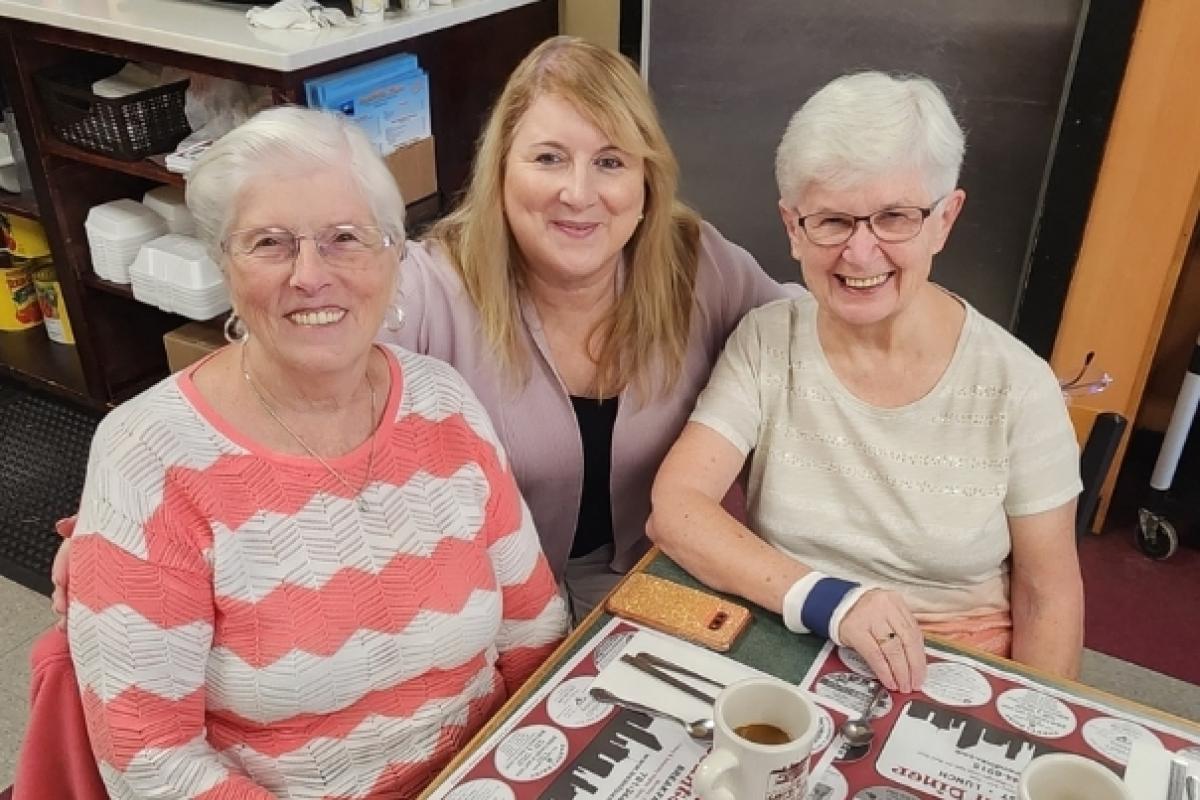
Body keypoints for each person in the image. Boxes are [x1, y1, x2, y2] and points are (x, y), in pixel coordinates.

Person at [50, 36, 791, 623]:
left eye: (610, 162)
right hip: (480, 604)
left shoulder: (695, 262)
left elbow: (798, 332)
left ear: (646, 182)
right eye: (548, 158)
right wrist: (121, 517)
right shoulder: (426, 284)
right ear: (501, 171)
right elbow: (279, 382)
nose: (578, 192)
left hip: (649, 583)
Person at [55, 106, 567, 799]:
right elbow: (150, 761)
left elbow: (533, 629)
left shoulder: (442, 401)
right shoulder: (149, 455)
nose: (309, 275)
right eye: (269, 243)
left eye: (345, 238)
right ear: (223, 263)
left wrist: (536, 768)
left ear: (394, 254)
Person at [648, 71, 1085, 694]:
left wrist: (1031, 723)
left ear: (944, 218)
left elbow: (1048, 595)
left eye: (894, 218)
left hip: (951, 666)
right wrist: (831, 601)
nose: (859, 253)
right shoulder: (767, 342)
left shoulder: (1017, 385)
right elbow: (676, 509)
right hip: (795, 636)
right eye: (831, 221)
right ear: (793, 228)